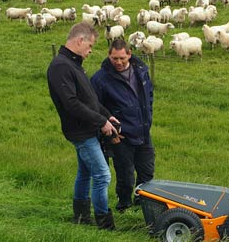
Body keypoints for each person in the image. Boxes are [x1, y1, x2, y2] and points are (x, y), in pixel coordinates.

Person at [47, 22, 120, 230]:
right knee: (102, 175)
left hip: (86, 127)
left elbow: (89, 99)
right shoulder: (61, 67)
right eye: (90, 46)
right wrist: (101, 122)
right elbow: (71, 104)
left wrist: (107, 116)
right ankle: (104, 223)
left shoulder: (73, 64)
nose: (90, 51)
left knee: (85, 172)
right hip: (80, 130)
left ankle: (81, 217)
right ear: (80, 41)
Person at [91, 39, 154, 213]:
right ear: (109, 56)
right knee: (125, 175)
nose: (118, 62)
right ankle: (124, 205)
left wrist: (147, 120)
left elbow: (149, 96)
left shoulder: (141, 71)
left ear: (129, 54)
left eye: (122, 59)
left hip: (142, 130)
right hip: (121, 136)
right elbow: (94, 106)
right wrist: (110, 133)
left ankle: (143, 204)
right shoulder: (100, 79)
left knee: (147, 170)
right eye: (114, 58)